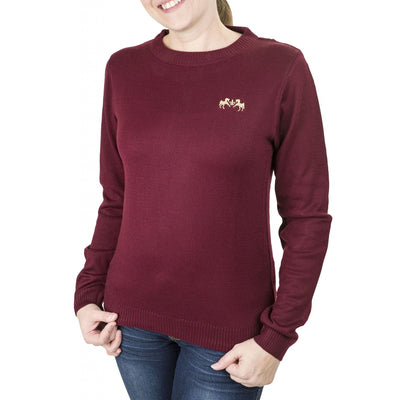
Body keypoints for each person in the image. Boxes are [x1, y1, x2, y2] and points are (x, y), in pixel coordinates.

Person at [74, 0, 332, 398]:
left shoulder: (280, 67)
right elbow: (116, 198)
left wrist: (277, 336)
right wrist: (87, 294)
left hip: (230, 338)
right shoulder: (123, 68)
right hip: (131, 323)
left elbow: (306, 216)